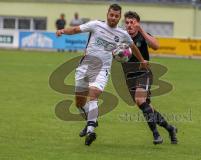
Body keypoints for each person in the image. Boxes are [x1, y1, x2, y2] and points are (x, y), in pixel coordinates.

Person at [56, 4, 148, 146]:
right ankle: (93, 119)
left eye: (116, 16)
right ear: (107, 14)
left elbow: (133, 47)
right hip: (84, 67)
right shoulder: (96, 25)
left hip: (102, 70)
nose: (113, 18)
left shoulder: (122, 34)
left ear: (119, 18)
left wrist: (142, 60)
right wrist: (62, 30)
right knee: (79, 103)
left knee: (94, 95)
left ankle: (91, 131)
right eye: (111, 15)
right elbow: (75, 29)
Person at [122, 11, 178, 144]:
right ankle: (170, 128)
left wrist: (141, 30)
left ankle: (156, 135)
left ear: (137, 23)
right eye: (127, 22)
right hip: (129, 76)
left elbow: (156, 46)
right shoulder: (122, 37)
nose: (129, 25)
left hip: (143, 73)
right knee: (147, 107)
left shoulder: (142, 36)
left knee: (140, 100)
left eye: (132, 22)